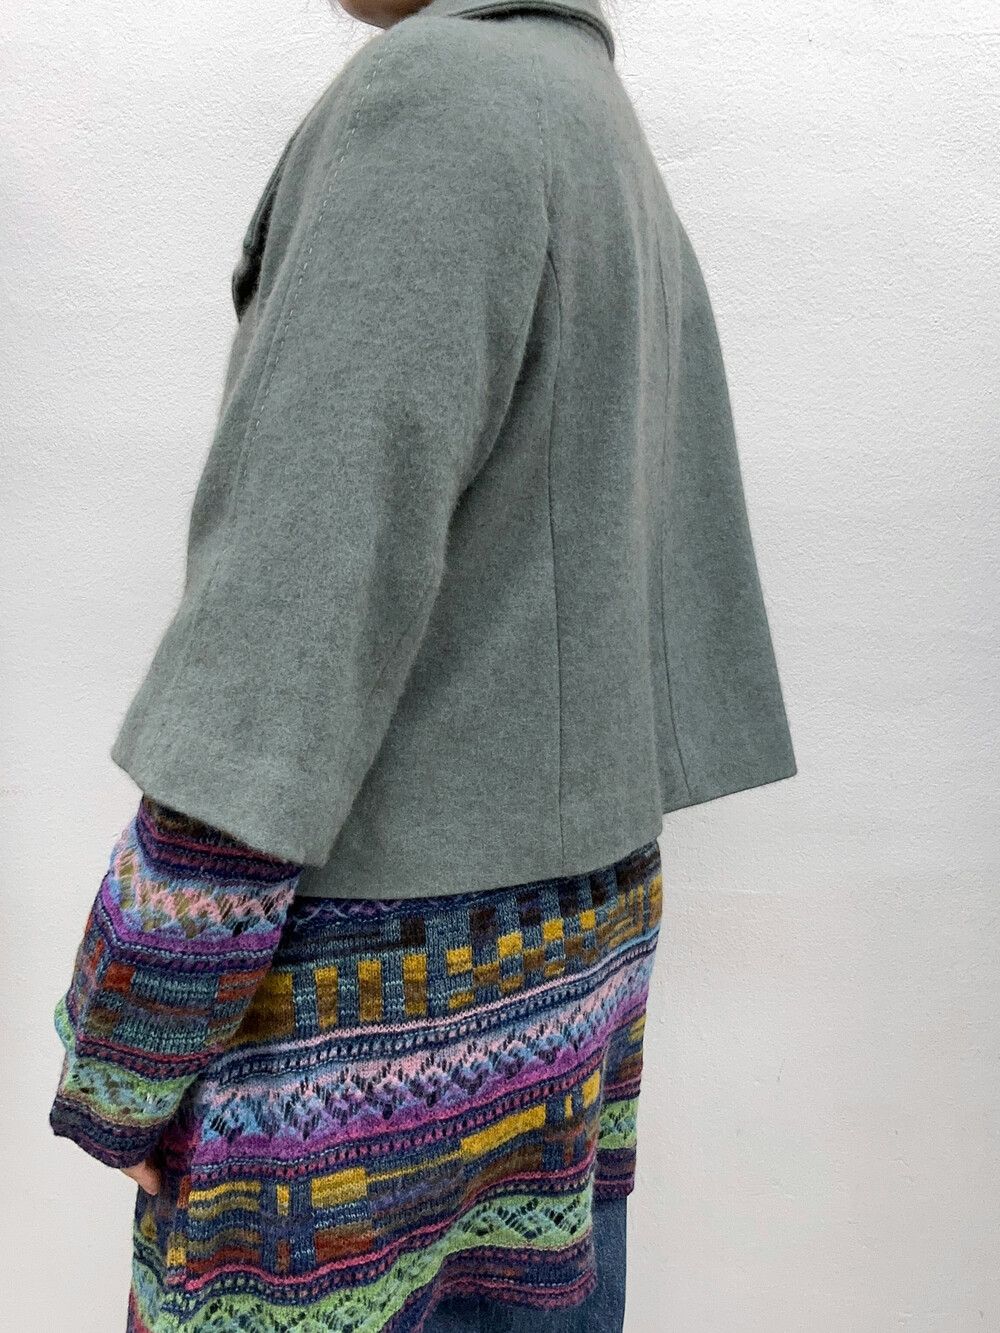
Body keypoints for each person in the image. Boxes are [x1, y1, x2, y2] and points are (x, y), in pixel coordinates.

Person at [48, 0, 797, 1329]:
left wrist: (134, 1031)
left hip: (355, 1044)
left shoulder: (441, 98)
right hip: (561, 981)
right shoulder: (583, 105)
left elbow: (297, 603)